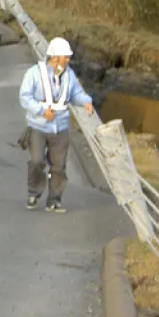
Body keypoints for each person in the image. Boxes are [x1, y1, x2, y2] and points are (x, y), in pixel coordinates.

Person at [17, 37, 95, 213]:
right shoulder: (34, 73)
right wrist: (41, 110)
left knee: (58, 166)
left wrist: (86, 102)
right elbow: (25, 97)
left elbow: (76, 93)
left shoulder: (69, 75)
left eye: (68, 57)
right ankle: (34, 192)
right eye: (65, 56)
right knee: (36, 161)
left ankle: (55, 199)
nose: (68, 60)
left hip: (60, 127)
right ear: (54, 57)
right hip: (38, 126)